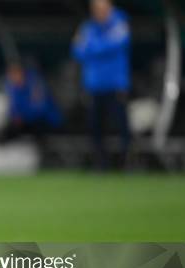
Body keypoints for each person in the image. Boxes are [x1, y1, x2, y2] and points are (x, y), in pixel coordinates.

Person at [72, 0, 131, 169]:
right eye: (95, 9)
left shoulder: (120, 23)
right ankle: (101, 164)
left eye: (102, 8)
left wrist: (91, 46)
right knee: (96, 128)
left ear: (110, 7)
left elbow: (116, 44)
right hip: (94, 86)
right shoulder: (88, 26)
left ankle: (124, 163)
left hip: (116, 85)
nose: (98, 12)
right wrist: (99, 47)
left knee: (121, 127)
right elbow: (77, 51)